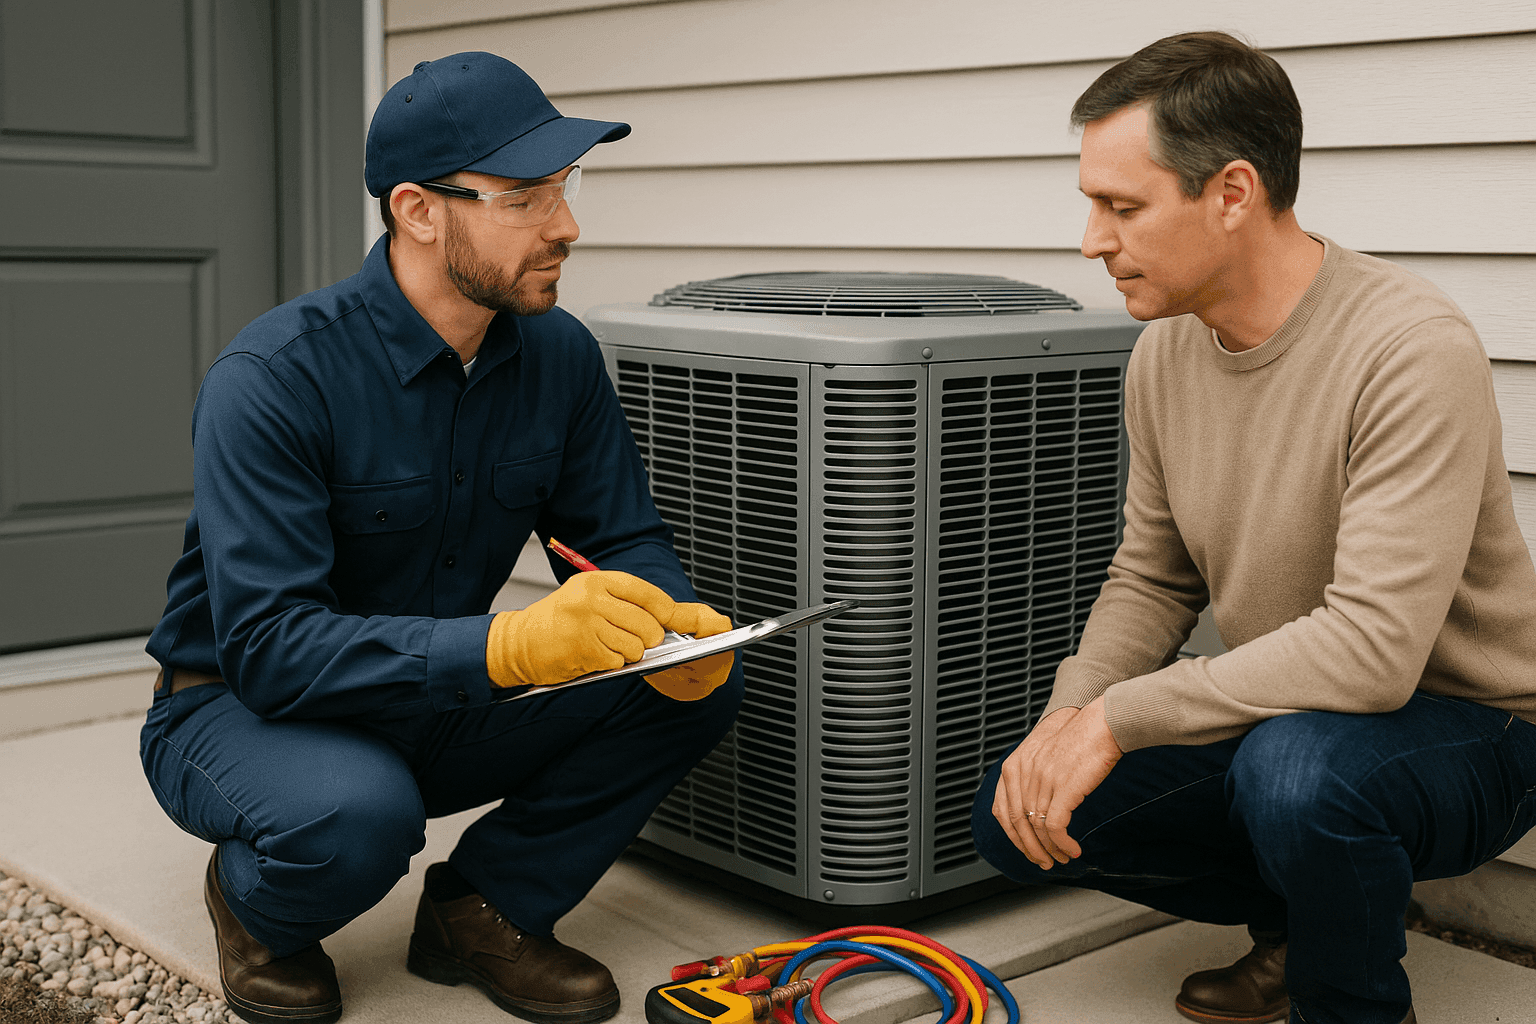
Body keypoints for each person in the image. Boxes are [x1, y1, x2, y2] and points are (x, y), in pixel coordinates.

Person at [140, 51, 743, 1024]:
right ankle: (257, 907)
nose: (568, 225)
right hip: (239, 708)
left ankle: (485, 907)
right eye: (526, 197)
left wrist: (676, 624)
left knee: (691, 682)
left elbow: (618, 538)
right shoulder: (273, 377)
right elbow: (268, 648)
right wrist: (507, 644)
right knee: (357, 815)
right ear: (419, 209)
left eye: (566, 187)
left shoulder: (559, 357)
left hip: (433, 695)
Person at [970, 31, 1536, 1024]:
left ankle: (1352, 1003)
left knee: (1298, 776)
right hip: (1297, 713)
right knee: (1019, 815)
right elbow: (1152, 576)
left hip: (1477, 725)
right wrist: (1069, 719)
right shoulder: (1164, 356)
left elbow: (1372, 654)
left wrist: (1119, 718)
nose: (1093, 240)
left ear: (1231, 193)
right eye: (1091, 204)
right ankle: (1302, 920)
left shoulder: (1408, 349)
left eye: (1123, 206)